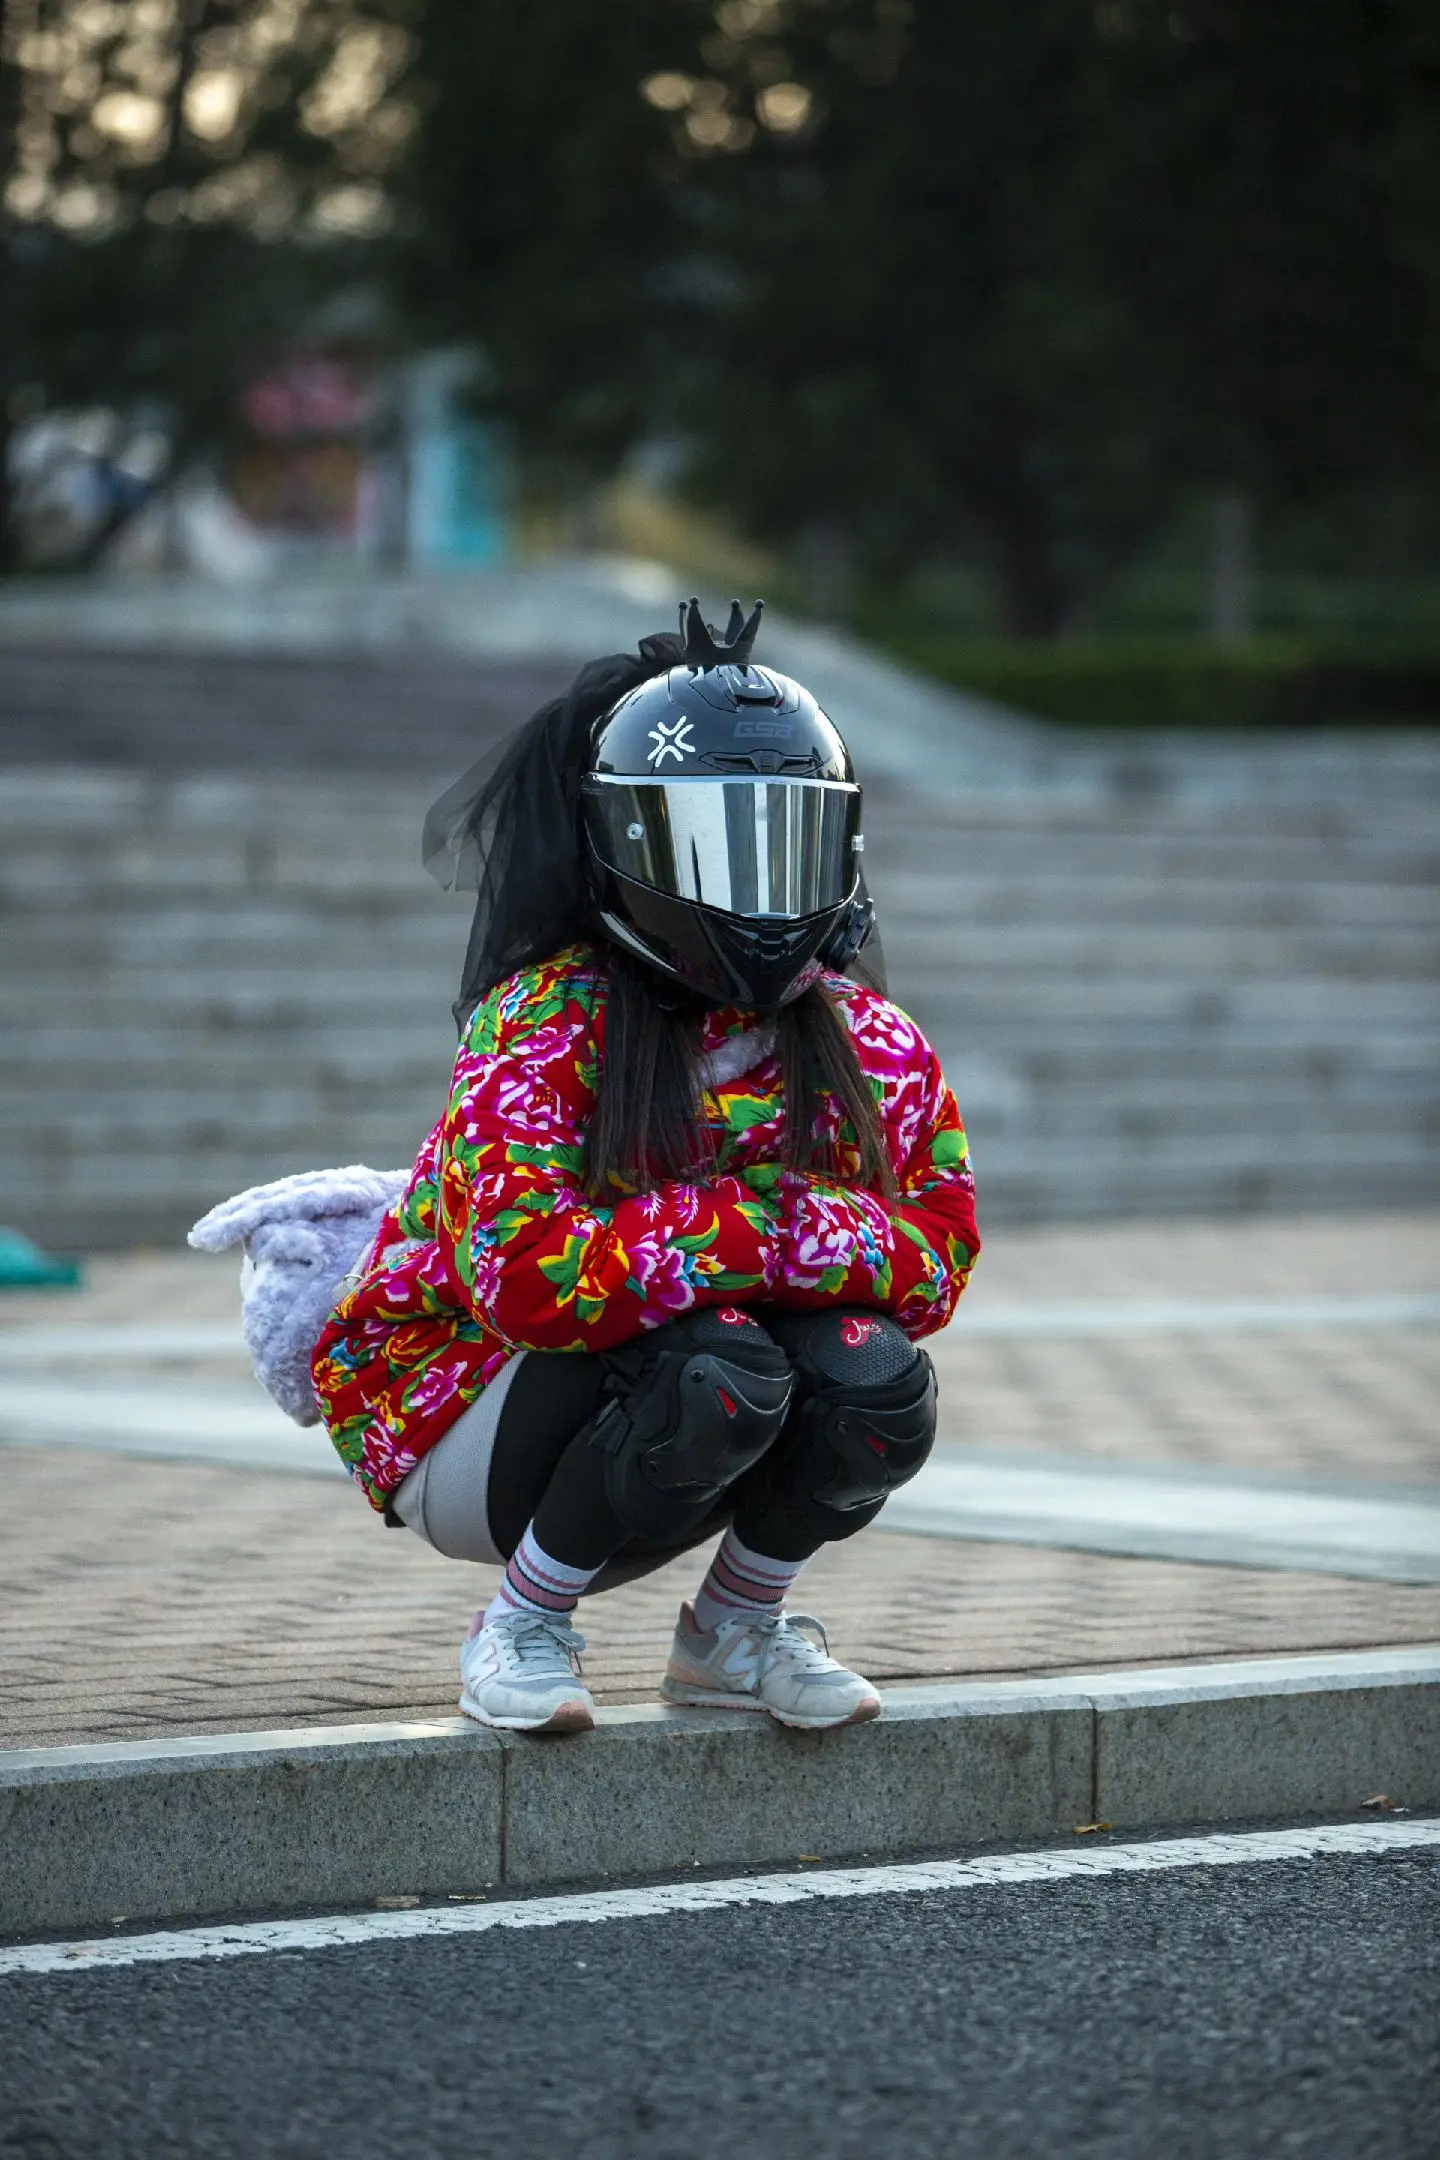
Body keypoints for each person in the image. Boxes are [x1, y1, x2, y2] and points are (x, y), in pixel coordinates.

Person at [301, 599, 979, 1735]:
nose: (758, 888)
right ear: (625, 845)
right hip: (458, 1410)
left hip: (691, 1408)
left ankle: (734, 1632)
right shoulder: (544, 1022)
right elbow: (526, 1279)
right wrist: (771, 1232)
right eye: (714, 845)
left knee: (878, 1381)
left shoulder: (872, 1039)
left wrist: (763, 1247)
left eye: (786, 842)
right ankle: (518, 1626)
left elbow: (941, 1254)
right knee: (715, 1359)